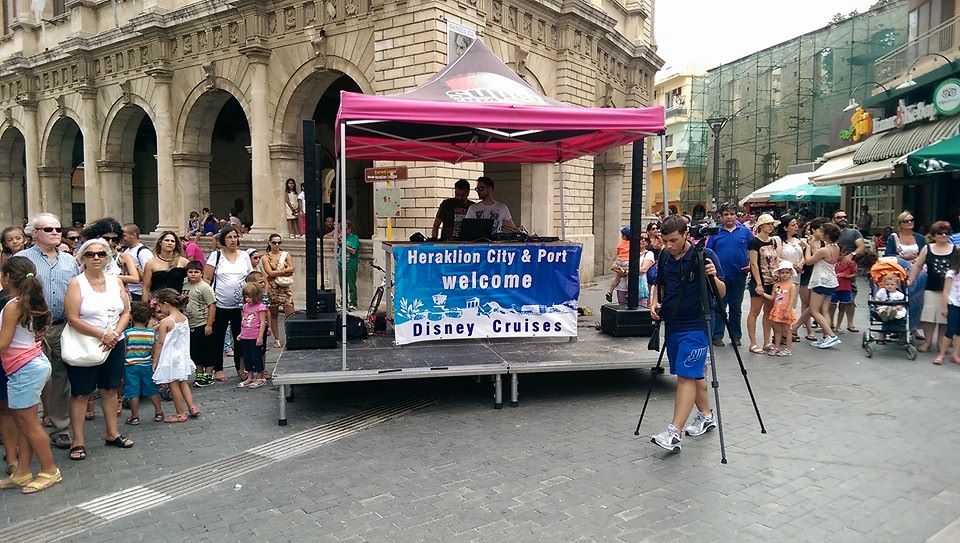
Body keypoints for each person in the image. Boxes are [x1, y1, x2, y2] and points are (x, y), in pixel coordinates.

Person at [648, 215, 725, 453]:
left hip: (697, 324)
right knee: (694, 375)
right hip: (673, 323)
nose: (668, 245)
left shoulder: (705, 256)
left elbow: (721, 293)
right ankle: (706, 415)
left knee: (685, 376)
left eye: (673, 240)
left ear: (685, 236)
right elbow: (659, 285)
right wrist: (654, 302)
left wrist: (712, 276)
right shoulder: (664, 256)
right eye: (665, 240)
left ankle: (674, 432)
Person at [63, 238, 134, 460]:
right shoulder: (77, 283)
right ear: (83, 257)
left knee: (110, 388)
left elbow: (126, 311)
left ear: (107, 258)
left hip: (115, 341)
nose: (96, 257)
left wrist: (115, 333)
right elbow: (72, 318)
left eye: (101, 254)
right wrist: (102, 334)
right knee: (81, 392)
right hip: (86, 343)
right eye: (91, 254)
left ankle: (112, 433)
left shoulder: (116, 281)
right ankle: (78, 440)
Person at [16, 213, 78, 451]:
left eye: (57, 229)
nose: (55, 233)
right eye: (48, 229)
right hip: (30, 329)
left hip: (62, 326)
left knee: (61, 378)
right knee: (30, 379)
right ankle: (26, 433)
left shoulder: (69, 261)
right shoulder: (22, 259)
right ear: (35, 233)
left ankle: (60, 428)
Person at [0, 256, 61, 494]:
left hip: (24, 369)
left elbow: (3, 344)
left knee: (29, 424)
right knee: (26, 422)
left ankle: (49, 470)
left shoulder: (13, 305)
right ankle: (23, 472)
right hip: (30, 365)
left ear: (6, 278)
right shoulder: (27, 301)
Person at [203, 226, 252, 382]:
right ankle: (219, 368)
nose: (233, 240)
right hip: (220, 304)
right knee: (218, 337)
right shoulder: (216, 256)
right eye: (229, 237)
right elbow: (207, 279)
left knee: (240, 336)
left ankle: (240, 367)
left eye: (235, 237)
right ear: (223, 240)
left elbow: (250, 277)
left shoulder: (244, 256)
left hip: (240, 305)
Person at [908, 221, 958, 353]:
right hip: (931, 287)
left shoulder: (956, 249)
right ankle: (927, 341)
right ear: (933, 235)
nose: (943, 235)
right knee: (928, 316)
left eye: (946, 233)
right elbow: (918, 265)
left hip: (950, 290)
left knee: (945, 318)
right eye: (939, 233)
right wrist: (911, 280)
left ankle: (941, 342)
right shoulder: (927, 249)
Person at [706, 203, 753, 347]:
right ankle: (717, 335)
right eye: (726, 214)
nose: (729, 217)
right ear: (720, 217)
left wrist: (751, 264)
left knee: (736, 307)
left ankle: (735, 336)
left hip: (739, 274)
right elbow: (708, 253)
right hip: (721, 277)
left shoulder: (744, 231)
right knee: (720, 306)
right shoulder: (715, 233)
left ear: (736, 215)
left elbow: (754, 249)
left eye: (732, 214)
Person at [151, 288, 200, 421]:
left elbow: (160, 342)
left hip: (170, 356)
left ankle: (180, 413)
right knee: (183, 382)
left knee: (173, 385)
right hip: (182, 355)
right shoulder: (184, 318)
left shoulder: (165, 322)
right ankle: (192, 406)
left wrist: (155, 360)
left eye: (160, 306)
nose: (160, 310)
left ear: (166, 304)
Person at [122, 302, 163, 425]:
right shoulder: (151, 334)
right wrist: (154, 362)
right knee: (152, 389)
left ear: (131, 317)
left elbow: (124, 350)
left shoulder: (127, 333)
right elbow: (154, 350)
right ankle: (159, 413)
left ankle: (134, 417)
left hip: (131, 366)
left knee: (133, 391)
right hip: (146, 365)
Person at [746, 214, 780, 354]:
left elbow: (775, 259)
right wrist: (758, 283)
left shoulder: (773, 241)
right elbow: (753, 263)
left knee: (769, 312)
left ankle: (767, 341)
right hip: (759, 280)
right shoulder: (754, 242)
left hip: (772, 279)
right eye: (768, 224)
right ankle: (753, 342)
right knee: (755, 311)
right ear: (761, 226)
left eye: (772, 224)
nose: (771, 226)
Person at [806, 221, 842, 349]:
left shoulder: (823, 250)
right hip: (831, 281)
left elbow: (809, 261)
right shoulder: (836, 247)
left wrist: (808, 247)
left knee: (814, 310)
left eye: (821, 231)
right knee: (825, 310)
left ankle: (831, 336)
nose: (819, 233)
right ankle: (826, 336)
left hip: (821, 281)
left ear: (826, 235)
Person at [182, 260, 216, 387]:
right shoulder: (185, 286)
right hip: (190, 324)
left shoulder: (204, 287)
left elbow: (212, 306)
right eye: (190, 272)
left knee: (207, 351)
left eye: (196, 272)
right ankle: (199, 373)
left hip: (203, 323)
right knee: (195, 351)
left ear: (201, 273)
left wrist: (209, 324)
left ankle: (208, 375)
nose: (193, 274)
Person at [262, 233, 295, 348]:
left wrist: (277, 272)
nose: (276, 245)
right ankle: (277, 339)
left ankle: (292, 336)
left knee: (290, 313)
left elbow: (292, 269)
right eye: (274, 242)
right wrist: (284, 271)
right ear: (270, 243)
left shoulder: (285, 254)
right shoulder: (265, 257)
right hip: (272, 288)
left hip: (284, 287)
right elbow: (269, 273)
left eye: (279, 242)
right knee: (274, 314)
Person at [142, 231, 190, 302]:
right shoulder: (151, 263)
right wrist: (145, 307)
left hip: (177, 303)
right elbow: (146, 287)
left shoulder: (184, 262)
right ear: (160, 242)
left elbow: (195, 279)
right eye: (167, 240)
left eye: (173, 241)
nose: (170, 243)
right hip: (157, 303)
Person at [237, 282, 268, 389]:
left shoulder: (261, 307)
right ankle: (250, 376)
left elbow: (263, 322)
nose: (247, 299)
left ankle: (259, 377)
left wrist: (260, 337)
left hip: (254, 336)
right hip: (245, 336)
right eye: (245, 297)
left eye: (249, 297)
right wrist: (241, 333)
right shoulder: (245, 307)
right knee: (247, 357)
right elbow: (244, 320)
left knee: (256, 357)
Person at [764, 261, 798, 356]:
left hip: (786, 309)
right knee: (777, 330)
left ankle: (788, 349)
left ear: (791, 273)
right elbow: (774, 297)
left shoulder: (792, 286)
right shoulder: (777, 285)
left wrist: (788, 310)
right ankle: (777, 347)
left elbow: (792, 299)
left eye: (787, 273)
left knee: (787, 330)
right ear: (779, 273)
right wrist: (763, 294)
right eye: (782, 273)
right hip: (777, 310)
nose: (784, 275)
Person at [121, 223, 154, 301]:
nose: (122, 238)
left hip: (138, 294)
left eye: (124, 235)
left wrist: (135, 269)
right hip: (128, 292)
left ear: (133, 235)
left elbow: (149, 277)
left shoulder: (143, 252)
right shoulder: (126, 251)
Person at [830, 248, 857, 332]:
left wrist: (846, 276)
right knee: (832, 306)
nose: (838, 256)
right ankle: (831, 323)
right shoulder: (832, 263)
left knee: (843, 307)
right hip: (834, 287)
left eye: (840, 254)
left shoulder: (850, 263)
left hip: (845, 287)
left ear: (844, 254)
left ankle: (838, 325)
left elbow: (855, 273)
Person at [939, 257, 960, 365]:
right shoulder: (951, 273)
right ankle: (941, 354)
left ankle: (955, 354)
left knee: (959, 332)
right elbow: (946, 291)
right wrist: (944, 306)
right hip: (953, 304)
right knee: (950, 330)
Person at [336, 220, 360, 311]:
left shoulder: (354, 238)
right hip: (341, 263)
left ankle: (353, 302)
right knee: (342, 284)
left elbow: (353, 251)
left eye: (345, 229)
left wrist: (343, 245)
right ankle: (344, 300)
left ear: (350, 229)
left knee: (351, 284)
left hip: (350, 264)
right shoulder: (342, 237)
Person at [606, 225, 630, 303]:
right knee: (627, 277)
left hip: (620, 260)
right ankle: (629, 292)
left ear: (624, 236)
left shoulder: (620, 243)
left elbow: (618, 252)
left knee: (616, 278)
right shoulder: (632, 243)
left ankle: (610, 292)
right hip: (627, 260)